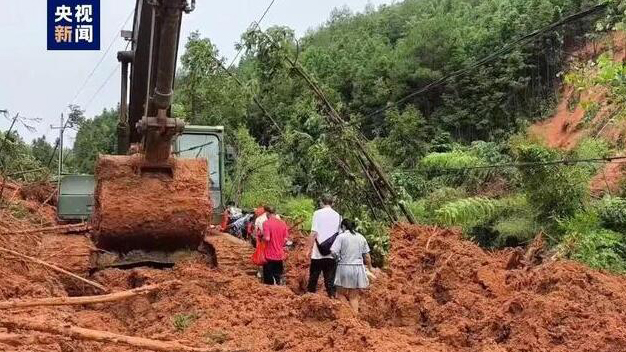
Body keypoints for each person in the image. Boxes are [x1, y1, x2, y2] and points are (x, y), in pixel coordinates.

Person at [330, 219, 372, 314]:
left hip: (344, 267)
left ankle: (348, 314)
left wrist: (338, 259)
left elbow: (333, 252)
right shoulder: (361, 237)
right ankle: (354, 318)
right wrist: (369, 268)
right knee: (354, 297)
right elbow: (367, 256)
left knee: (339, 294)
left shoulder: (341, 237)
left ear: (344, 227)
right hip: (358, 269)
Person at [307, 195, 341, 297]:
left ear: (322, 202)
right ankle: (332, 299)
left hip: (317, 253)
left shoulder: (317, 214)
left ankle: (310, 299)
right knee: (330, 281)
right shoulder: (339, 216)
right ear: (333, 203)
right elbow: (339, 235)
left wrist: (308, 249)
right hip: (331, 253)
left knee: (313, 278)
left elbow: (313, 233)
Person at [261, 206, 289, 285]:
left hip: (269, 255)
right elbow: (286, 239)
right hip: (279, 255)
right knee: (277, 277)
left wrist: (261, 238)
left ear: (267, 213)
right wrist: (280, 245)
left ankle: (269, 295)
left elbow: (267, 238)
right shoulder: (283, 223)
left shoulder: (266, 223)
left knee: (268, 281)